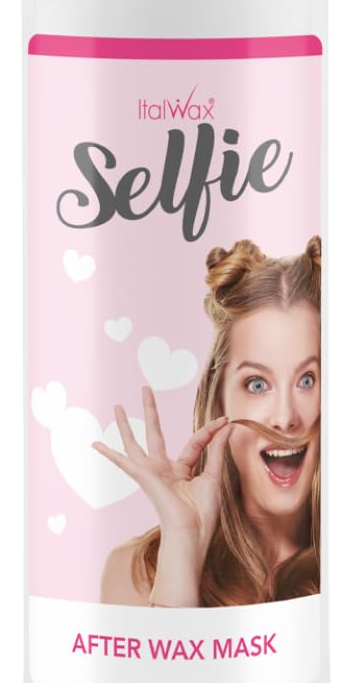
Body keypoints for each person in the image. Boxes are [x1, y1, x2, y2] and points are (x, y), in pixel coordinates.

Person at [94, 236, 322, 607]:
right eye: (257, 384)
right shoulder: (136, 573)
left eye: (307, 380)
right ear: (219, 402)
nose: (285, 418)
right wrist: (182, 544)